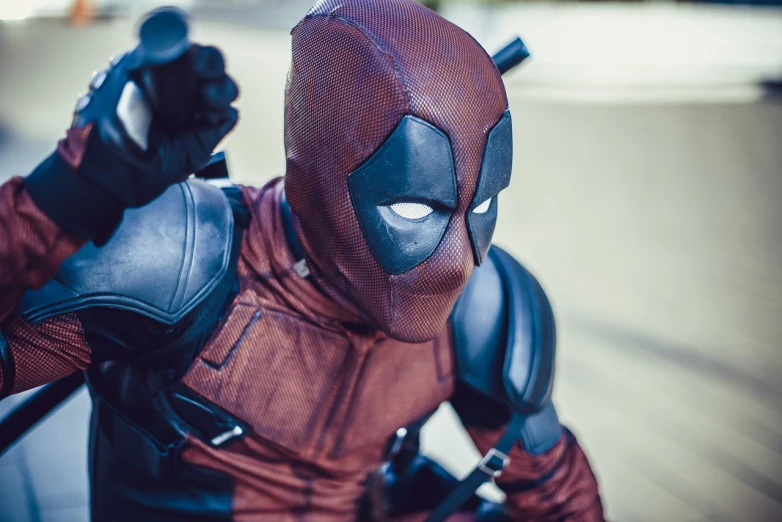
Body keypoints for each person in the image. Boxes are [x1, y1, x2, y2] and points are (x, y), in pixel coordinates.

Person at [0, 1, 604, 520]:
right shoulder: (176, 266)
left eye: (482, 204)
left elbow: (560, 498)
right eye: (416, 209)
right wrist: (66, 199)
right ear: (319, 168)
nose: (456, 263)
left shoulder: (482, 313)